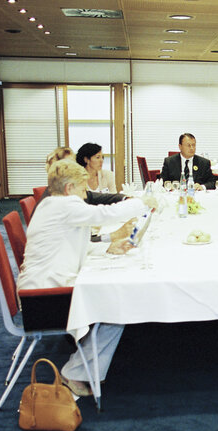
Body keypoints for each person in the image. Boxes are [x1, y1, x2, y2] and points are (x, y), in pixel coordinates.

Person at [18, 159, 157, 396]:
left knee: (113, 301)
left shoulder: (51, 206)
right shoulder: (64, 206)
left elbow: (74, 243)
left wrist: (108, 247)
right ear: (69, 188)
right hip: (42, 299)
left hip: (38, 291)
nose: (86, 195)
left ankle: (85, 367)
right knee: (116, 309)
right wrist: (142, 203)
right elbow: (104, 214)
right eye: (83, 189)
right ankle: (74, 372)